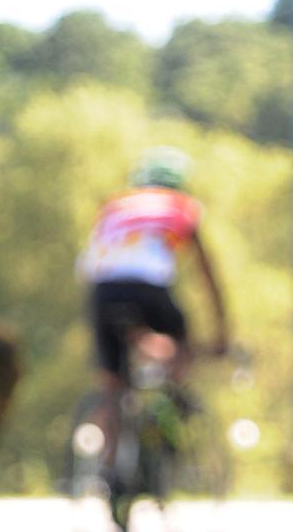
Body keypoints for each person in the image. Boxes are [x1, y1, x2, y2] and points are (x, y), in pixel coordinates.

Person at [77, 147, 228, 480]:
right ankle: (165, 428)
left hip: (101, 289)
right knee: (180, 349)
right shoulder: (180, 206)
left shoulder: (115, 205)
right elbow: (207, 275)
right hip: (148, 287)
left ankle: (107, 464)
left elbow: (93, 258)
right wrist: (222, 333)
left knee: (112, 382)